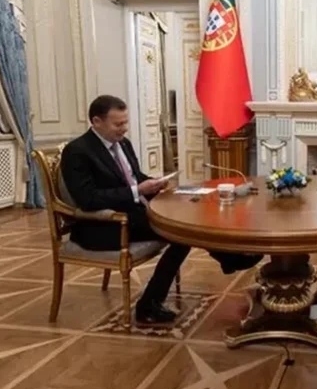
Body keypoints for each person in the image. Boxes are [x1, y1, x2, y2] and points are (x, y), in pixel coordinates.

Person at [61, 95, 262, 324]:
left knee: (185, 216)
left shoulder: (122, 143)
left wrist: (154, 184)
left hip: (133, 213)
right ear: (97, 121)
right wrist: (137, 190)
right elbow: (88, 199)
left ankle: (229, 258)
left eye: (125, 122)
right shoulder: (77, 151)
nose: (124, 129)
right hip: (104, 225)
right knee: (180, 233)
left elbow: (134, 177)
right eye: (118, 124)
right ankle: (149, 305)